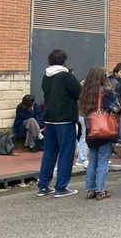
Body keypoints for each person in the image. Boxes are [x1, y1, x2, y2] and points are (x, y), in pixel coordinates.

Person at [37, 49, 81, 198]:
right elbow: (78, 92)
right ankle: (61, 187)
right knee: (66, 153)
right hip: (65, 119)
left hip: (49, 120)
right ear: (64, 61)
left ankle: (43, 185)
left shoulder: (46, 76)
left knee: (49, 153)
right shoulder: (66, 76)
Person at [79, 66, 121, 200]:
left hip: (90, 129)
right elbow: (116, 108)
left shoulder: (85, 92)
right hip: (104, 130)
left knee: (92, 161)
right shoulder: (106, 92)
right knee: (103, 161)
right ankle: (100, 190)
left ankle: (90, 189)